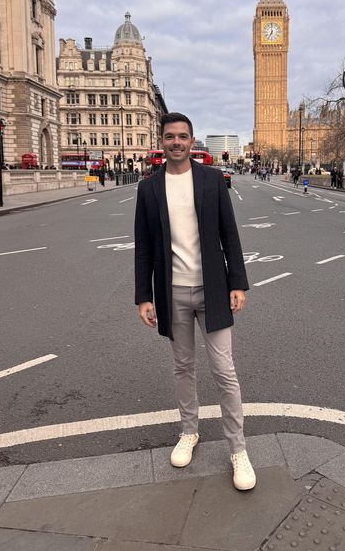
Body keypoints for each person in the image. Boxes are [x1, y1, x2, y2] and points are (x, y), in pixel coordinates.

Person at [135, 112, 255, 491]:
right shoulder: (149, 188)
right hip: (172, 292)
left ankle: (238, 450)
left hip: (212, 288)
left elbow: (229, 234)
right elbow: (143, 246)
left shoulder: (211, 180)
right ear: (162, 141)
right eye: (170, 136)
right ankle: (189, 431)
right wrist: (143, 296)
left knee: (224, 370)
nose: (176, 142)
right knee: (183, 366)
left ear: (191, 140)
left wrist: (238, 283)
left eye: (183, 136)